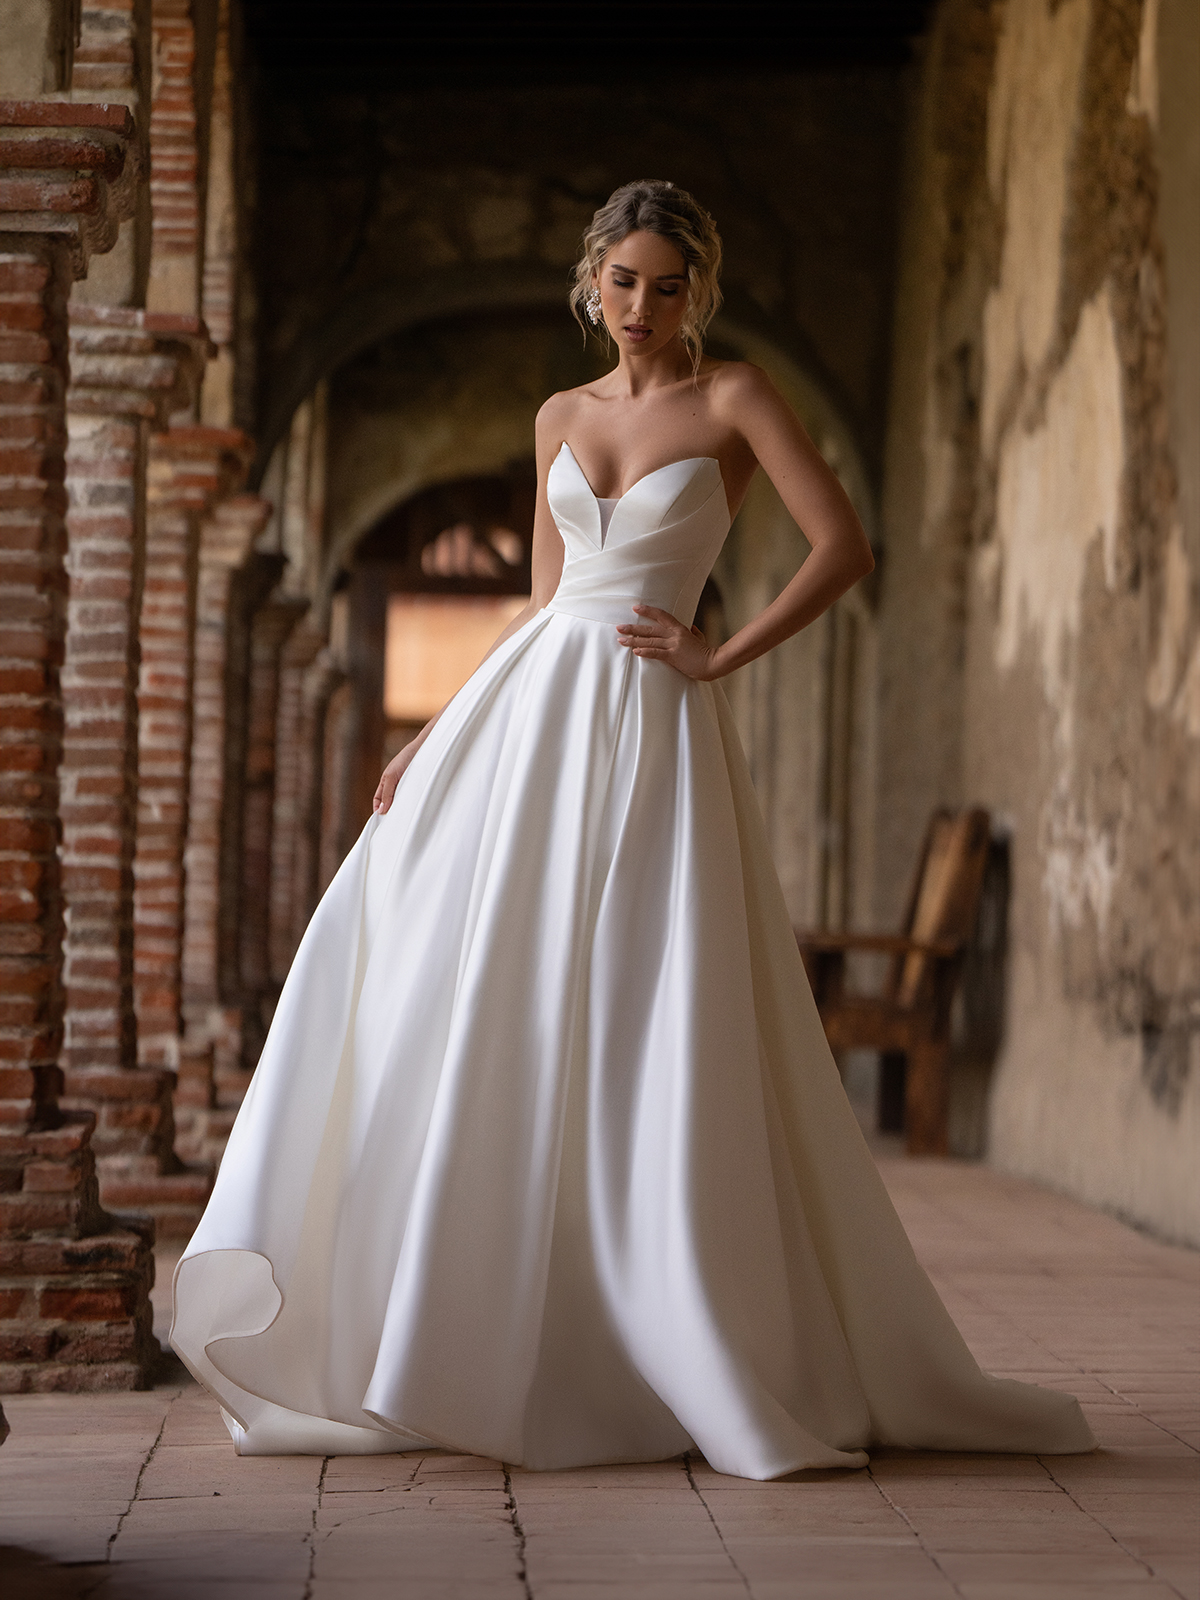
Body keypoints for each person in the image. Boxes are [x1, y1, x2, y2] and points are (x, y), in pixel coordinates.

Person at [171, 180, 1094, 1479]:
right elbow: (543, 603)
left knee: (644, 994)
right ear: (592, 281)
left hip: (656, 715)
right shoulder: (559, 412)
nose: (645, 306)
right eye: (625, 281)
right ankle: (467, 1310)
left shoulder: (736, 401)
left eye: (669, 284)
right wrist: (433, 738)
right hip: (533, 715)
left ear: (696, 290)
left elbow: (844, 548)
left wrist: (724, 655)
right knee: (486, 973)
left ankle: (656, 1312)